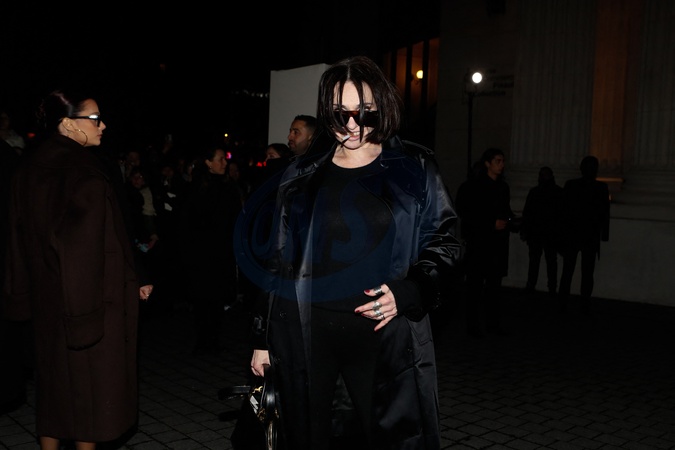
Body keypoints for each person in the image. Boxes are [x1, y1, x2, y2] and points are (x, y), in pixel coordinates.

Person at [236, 55, 461, 450]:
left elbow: (446, 239)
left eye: (365, 112)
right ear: (328, 112)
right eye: (342, 114)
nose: (354, 124)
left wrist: (410, 290)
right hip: (307, 337)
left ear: (382, 106)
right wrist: (262, 337)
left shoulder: (414, 166)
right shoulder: (303, 173)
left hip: (384, 339)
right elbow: (279, 259)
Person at [2, 88, 151, 450]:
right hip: (89, 304)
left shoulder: (28, 168)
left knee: (54, 393)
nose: (103, 126)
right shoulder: (83, 173)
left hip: (47, 301)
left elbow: (14, 240)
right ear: (68, 124)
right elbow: (84, 251)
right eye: (95, 119)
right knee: (90, 401)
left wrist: (20, 294)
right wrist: (86, 316)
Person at [180, 146, 242, 354]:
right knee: (202, 298)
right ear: (208, 162)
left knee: (217, 297)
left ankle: (213, 339)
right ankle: (203, 339)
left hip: (222, 252)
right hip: (201, 254)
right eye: (220, 159)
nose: (224, 163)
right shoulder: (196, 188)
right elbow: (187, 223)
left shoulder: (228, 186)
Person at [455, 148, 516, 338]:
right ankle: (473, 327)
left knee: (494, 287)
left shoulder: (502, 187)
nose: (502, 165)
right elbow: (467, 213)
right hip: (479, 245)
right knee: (474, 287)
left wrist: (513, 222)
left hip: (497, 246)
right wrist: (490, 223)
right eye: (498, 161)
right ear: (488, 163)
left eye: (503, 161)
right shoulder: (473, 187)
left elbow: (505, 211)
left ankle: (493, 325)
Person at [558, 155, 610, 314]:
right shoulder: (596, 187)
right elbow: (564, 211)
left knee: (579, 271)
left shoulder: (577, 185)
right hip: (580, 234)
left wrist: (604, 233)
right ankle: (574, 302)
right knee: (575, 271)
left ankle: (575, 301)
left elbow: (604, 212)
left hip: (583, 235)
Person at [520, 166, 564, 297]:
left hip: (540, 232)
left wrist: (525, 229)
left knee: (538, 261)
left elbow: (528, 213)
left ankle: (534, 285)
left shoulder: (536, 192)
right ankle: (550, 287)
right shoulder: (557, 192)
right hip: (547, 233)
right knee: (548, 261)